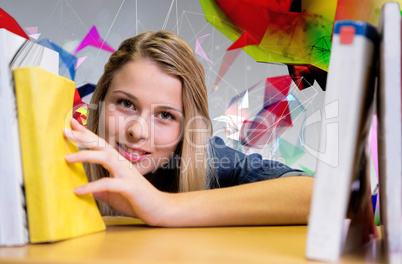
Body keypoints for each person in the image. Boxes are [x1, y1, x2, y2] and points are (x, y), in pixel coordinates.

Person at [64, 30, 314, 227]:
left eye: (165, 115)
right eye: (126, 103)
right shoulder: (64, 152)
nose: (137, 131)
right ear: (100, 101)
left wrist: (163, 206)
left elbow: (317, 196)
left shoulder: (210, 161)